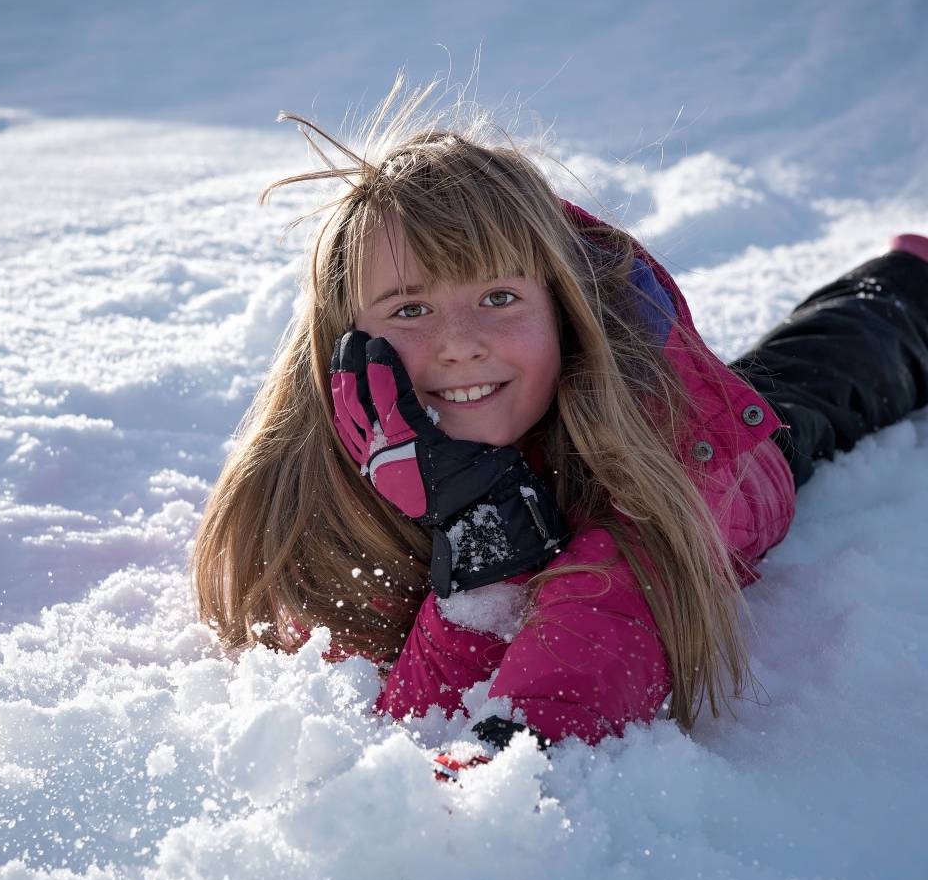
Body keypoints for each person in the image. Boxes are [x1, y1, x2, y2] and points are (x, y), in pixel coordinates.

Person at [192, 85, 928, 759]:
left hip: (711, 468)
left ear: (563, 315)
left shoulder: (658, 451)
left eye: (499, 299)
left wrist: (504, 758)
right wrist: (483, 555)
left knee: (816, 387)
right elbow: (384, 719)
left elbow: (605, 619)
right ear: (346, 344)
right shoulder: (312, 477)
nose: (461, 344)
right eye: (411, 309)